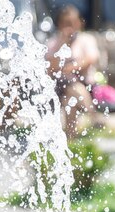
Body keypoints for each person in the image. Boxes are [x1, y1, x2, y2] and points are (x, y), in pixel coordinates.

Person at [45, 5, 101, 139]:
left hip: (84, 85)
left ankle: (71, 139)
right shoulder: (54, 43)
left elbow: (90, 60)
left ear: (79, 23)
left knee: (70, 97)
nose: (68, 27)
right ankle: (93, 116)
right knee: (68, 88)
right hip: (59, 87)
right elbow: (49, 67)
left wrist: (68, 68)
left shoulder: (86, 40)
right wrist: (62, 44)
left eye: (71, 23)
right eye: (65, 23)